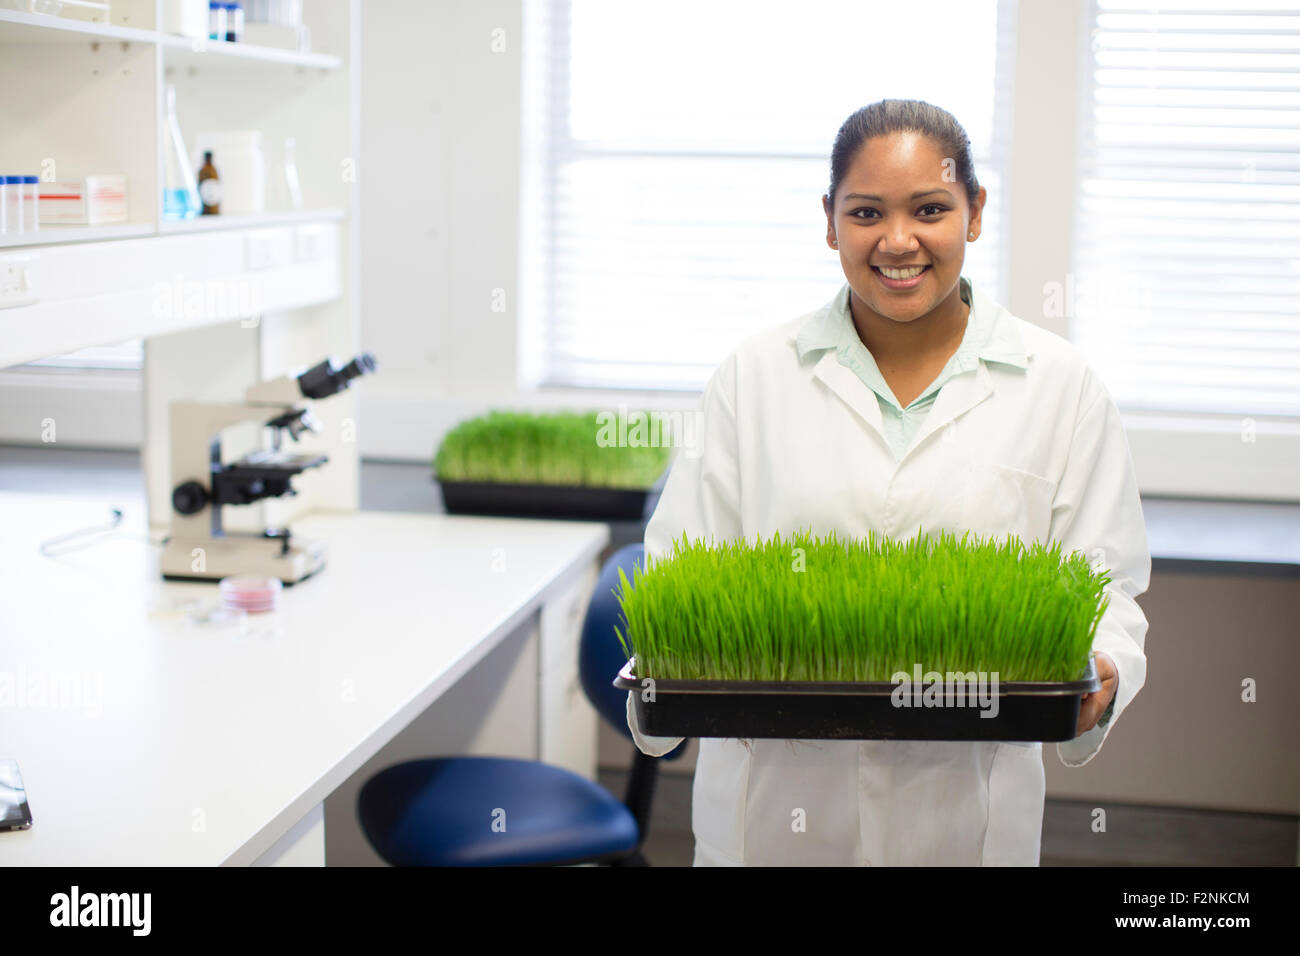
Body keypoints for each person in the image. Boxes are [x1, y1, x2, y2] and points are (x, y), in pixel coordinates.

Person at [625, 99, 1152, 866]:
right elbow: (679, 577)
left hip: (964, 817)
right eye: (866, 211)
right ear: (831, 223)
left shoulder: (1061, 386)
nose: (898, 240)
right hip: (774, 816)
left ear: (973, 213)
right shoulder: (753, 377)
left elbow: (1105, 586)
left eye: (929, 209)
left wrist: (1102, 665)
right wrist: (670, 677)